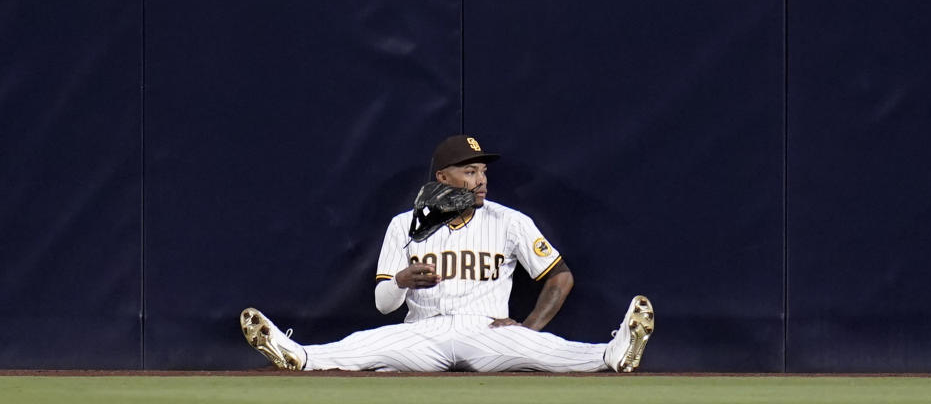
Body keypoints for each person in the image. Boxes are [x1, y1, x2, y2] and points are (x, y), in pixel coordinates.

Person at [240, 134, 654, 372]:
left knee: (547, 350)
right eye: (469, 171)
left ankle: (614, 351)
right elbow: (385, 306)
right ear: (443, 178)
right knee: (367, 343)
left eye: (483, 171)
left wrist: (529, 327)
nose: (481, 179)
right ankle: (300, 354)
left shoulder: (508, 221)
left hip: (486, 329)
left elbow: (559, 277)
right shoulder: (405, 225)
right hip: (425, 330)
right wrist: (401, 282)